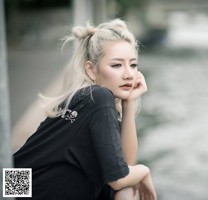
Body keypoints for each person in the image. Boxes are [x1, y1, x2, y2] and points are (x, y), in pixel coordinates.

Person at [13, 19, 156, 200]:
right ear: (91, 69)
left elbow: (124, 167)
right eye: (117, 65)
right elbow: (119, 177)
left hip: (13, 183)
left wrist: (130, 104)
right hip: (17, 191)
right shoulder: (99, 97)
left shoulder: (89, 101)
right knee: (121, 188)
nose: (129, 74)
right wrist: (144, 170)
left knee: (121, 189)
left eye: (133, 64)